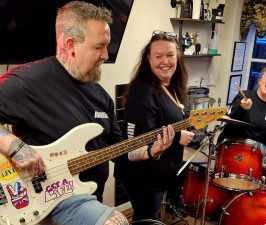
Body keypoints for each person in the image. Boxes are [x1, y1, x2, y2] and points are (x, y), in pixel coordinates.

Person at [0, 1, 133, 224]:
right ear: (71, 44)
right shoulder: (29, 82)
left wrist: (149, 151)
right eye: (99, 47)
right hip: (49, 203)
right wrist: (13, 146)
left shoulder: (101, 97)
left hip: (91, 197)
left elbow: (118, 149)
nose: (105, 56)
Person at [114, 30, 195, 223]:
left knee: (150, 216)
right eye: (158, 56)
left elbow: (178, 119)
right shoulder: (143, 92)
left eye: (170, 55)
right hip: (143, 176)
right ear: (148, 60)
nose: (164, 61)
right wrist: (177, 137)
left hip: (162, 171)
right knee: (145, 219)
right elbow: (139, 138)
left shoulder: (173, 88)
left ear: (177, 57)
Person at [217, 62, 266, 150]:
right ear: (260, 80)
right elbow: (228, 121)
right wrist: (242, 108)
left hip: (256, 154)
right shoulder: (244, 96)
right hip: (232, 146)